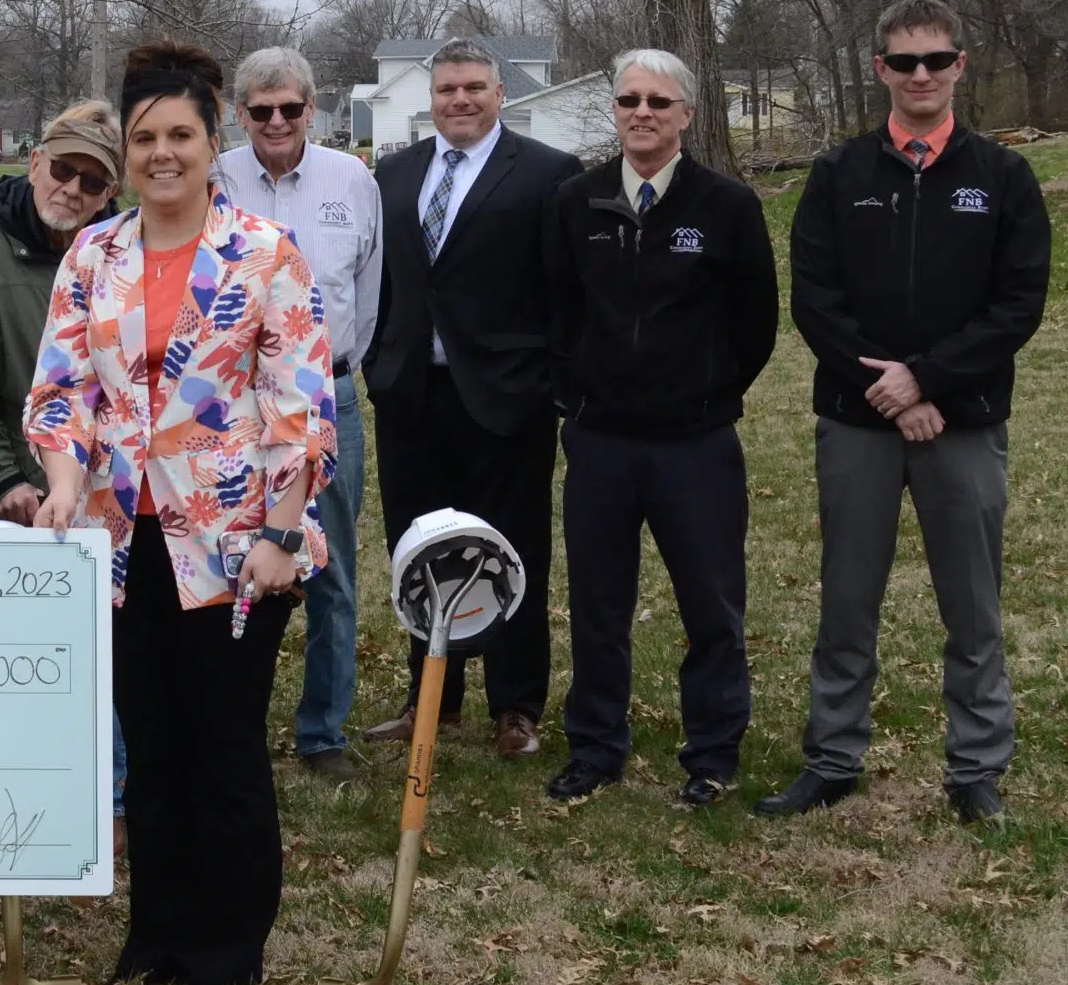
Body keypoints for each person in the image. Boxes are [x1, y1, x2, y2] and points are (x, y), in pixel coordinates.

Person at [28, 41, 335, 985]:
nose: (163, 153)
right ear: (125, 150)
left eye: (182, 135)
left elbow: (301, 406)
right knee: (152, 749)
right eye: (145, 137)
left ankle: (228, 947)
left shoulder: (265, 254)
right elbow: (58, 388)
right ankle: (156, 937)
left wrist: (283, 531)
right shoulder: (95, 253)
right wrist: (63, 479)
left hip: (239, 546)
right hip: (125, 546)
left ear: (212, 143)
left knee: (226, 749)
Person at [762, 0, 1050, 826]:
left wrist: (927, 382)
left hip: (963, 422)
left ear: (961, 65)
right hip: (858, 423)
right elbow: (815, 302)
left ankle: (976, 767)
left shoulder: (1002, 176)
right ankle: (833, 756)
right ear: (879, 69)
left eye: (936, 59)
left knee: (972, 603)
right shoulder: (838, 175)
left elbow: (1016, 304)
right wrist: (887, 393)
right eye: (903, 61)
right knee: (848, 599)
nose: (919, 74)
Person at [542, 50, 778, 810]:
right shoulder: (576, 202)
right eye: (629, 99)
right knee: (598, 603)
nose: (642, 112)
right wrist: (577, 398)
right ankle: (596, 746)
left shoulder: (727, 206)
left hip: (696, 445)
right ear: (614, 110)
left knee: (711, 605)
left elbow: (757, 326)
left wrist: (705, 393)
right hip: (601, 442)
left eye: (658, 101)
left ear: (686, 115)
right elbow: (556, 314)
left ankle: (712, 749)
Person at [361, 39, 582, 760]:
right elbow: (383, 282)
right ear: (431, 96)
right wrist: (380, 361)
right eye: (448, 88)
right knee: (419, 549)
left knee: (512, 547)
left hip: (504, 397)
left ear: (499, 92)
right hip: (411, 397)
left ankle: (516, 704)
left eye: (475, 88)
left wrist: (545, 382)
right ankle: (433, 697)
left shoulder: (547, 174)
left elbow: (564, 290)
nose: (461, 99)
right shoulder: (392, 174)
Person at [0, 99, 128, 833]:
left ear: (111, 194)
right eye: (63, 169)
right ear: (36, 160)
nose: (71, 189)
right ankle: (32, 801)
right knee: (30, 666)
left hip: (117, 499)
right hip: (22, 494)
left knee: (113, 659)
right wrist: (5, 481)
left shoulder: (119, 255)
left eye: (93, 181)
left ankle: (113, 798)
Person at [215, 47, 383, 784]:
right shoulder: (213, 176)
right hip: (231, 406)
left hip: (330, 397)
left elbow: (369, 294)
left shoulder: (353, 180)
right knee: (225, 567)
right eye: (261, 109)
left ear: (312, 109)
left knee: (332, 571)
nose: (277, 121)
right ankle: (228, 726)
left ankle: (323, 731)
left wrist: (334, 373)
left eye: (291, 107)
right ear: (239, 111)